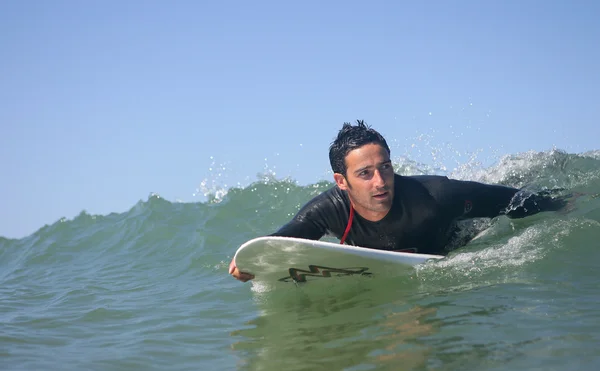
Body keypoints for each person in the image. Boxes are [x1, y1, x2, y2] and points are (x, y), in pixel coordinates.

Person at [229, 120, 569, 282]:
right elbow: (289, 235)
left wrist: (562, 205)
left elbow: (509, 200)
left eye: (386, 168)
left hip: (456, 241)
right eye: (365, 174)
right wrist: (256, 262)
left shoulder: (435, 197)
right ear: (341, 182)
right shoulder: (330, 210)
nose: (381, 182)